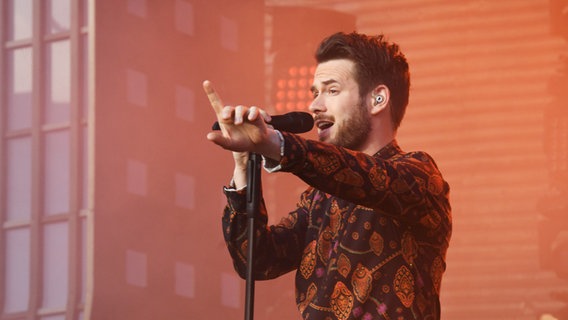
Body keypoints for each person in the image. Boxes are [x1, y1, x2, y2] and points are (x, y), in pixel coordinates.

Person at [204, 31, 452, 320]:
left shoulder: (419, 177)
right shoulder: (317, 200)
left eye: (332, 90)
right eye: (315, 92)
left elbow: (365, 178)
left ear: (378, 99)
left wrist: (276, 144)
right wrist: (244, 165)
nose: (314, 105)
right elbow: (257, 260)